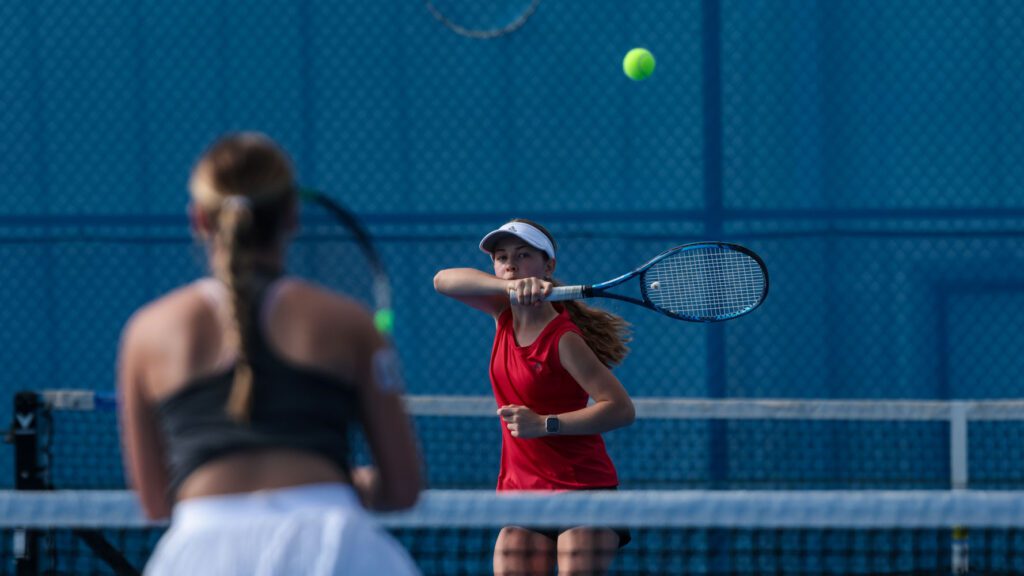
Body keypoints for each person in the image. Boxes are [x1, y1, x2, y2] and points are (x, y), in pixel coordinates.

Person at [117, 132, 422, 575]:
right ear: (292, 216)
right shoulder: (349, 322)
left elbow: (154, 502)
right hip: (339, 551)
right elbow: (403, 488)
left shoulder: (146, 334)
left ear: (200, 219)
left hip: (197, 555)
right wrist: (343, 485)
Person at [433, 219, 636, 576]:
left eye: (523, 255)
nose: (510, 263)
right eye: (501, 256)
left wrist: (545, 425)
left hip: (583, 488)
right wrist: (506, 286)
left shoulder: (564, 338)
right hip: (522, 491)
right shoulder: (503, 315)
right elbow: (443, 280)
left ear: (549, 266)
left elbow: (620, 409)